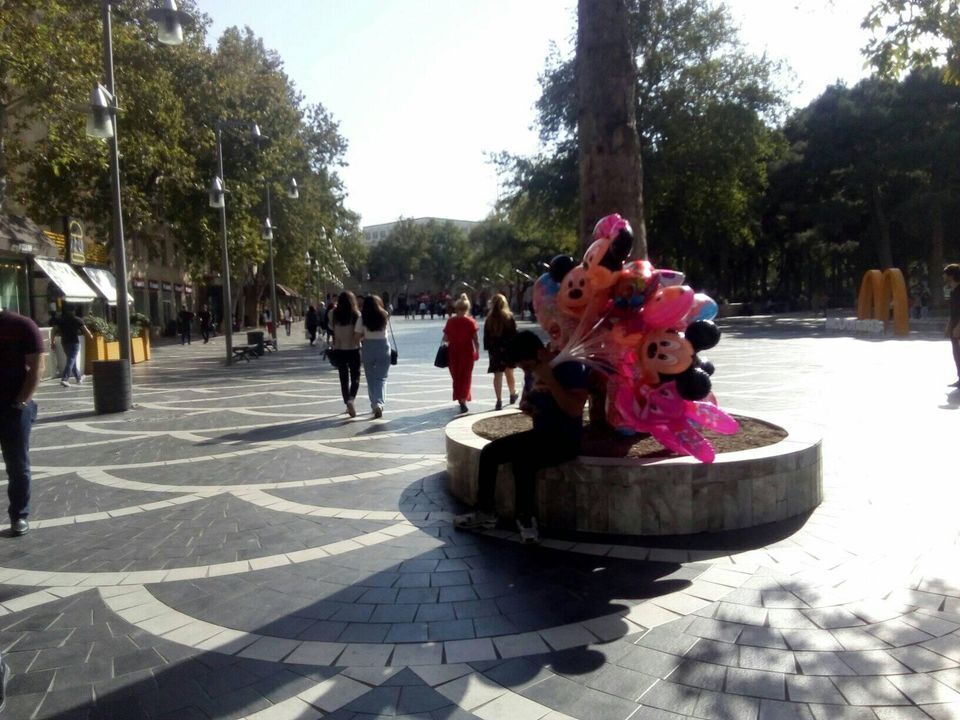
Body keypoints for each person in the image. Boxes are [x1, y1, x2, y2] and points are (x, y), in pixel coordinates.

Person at [454, 331, 589, 543]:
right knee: (490, 453)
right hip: (541, 434)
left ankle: (526, 518)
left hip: (565, 440)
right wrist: (527, 406)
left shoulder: (569, 366)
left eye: (527, 366)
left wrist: (550, 379)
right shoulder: (532, 370)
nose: (526, 371)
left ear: (541, 353)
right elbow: (529, 399)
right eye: (522, 368)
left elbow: (574, 409)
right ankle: (485, 512)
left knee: (524, 462)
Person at [0, 305, 44, 537]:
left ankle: (19, 515)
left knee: (17, 465)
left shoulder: (22, 326)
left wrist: (20, 402)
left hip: (14, 407)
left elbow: (37, 368)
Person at [443, 293, 480, 413]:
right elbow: (476, 340)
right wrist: (477, 351)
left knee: (456, 376)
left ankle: (460, 397)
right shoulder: (471, 322)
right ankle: (463, 399)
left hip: (453, 352)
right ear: (467, 308)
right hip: (467, 352)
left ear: (457, 308)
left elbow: (445, 339)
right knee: (466, 376)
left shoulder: (450, 321)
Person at [356, 295, 392, 418]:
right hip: (383, 346)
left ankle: (374, 403)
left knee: (370, 377)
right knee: (381, 377)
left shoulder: (362, 318)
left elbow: (357, 337)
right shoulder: (384, 314)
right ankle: (379, 403)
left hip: (368, 347)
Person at [484, 293, 519, 411]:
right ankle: (512, 393)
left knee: (497, 375)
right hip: (508, 349)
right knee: (510, 373)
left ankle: (498, 400)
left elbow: (486, 337)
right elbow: (514, 335)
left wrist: (489, 348)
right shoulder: (509, 317)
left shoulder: (489, 319)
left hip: (495, 350)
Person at [329, 291, 362, 417]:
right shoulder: (356, 314)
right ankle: (351, 399)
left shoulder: (333, 314)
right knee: (355, 377)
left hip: (339, 349)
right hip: (354, 349)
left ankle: (347, 402)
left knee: (343, 378)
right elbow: (359, 332)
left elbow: (331, 327)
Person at [50, 305, 92, 387]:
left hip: (64, 342)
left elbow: (53, 330)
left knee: (72, 360)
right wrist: (91, 336)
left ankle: (78, 378)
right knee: (71, 360)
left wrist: (52, 341)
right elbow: (86, 331)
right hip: (74, 342)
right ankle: (64, 379)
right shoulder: (77, 320)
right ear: (74, 311)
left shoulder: (60, 320)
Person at [945, 263, 960, 388]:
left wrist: (958, 327)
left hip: (958, 327)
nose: (943, 276)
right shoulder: (953, 291)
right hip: (954, 326)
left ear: (951, 276)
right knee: (956, 353)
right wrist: (949, 325)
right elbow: (953, 311)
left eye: (945, 274)